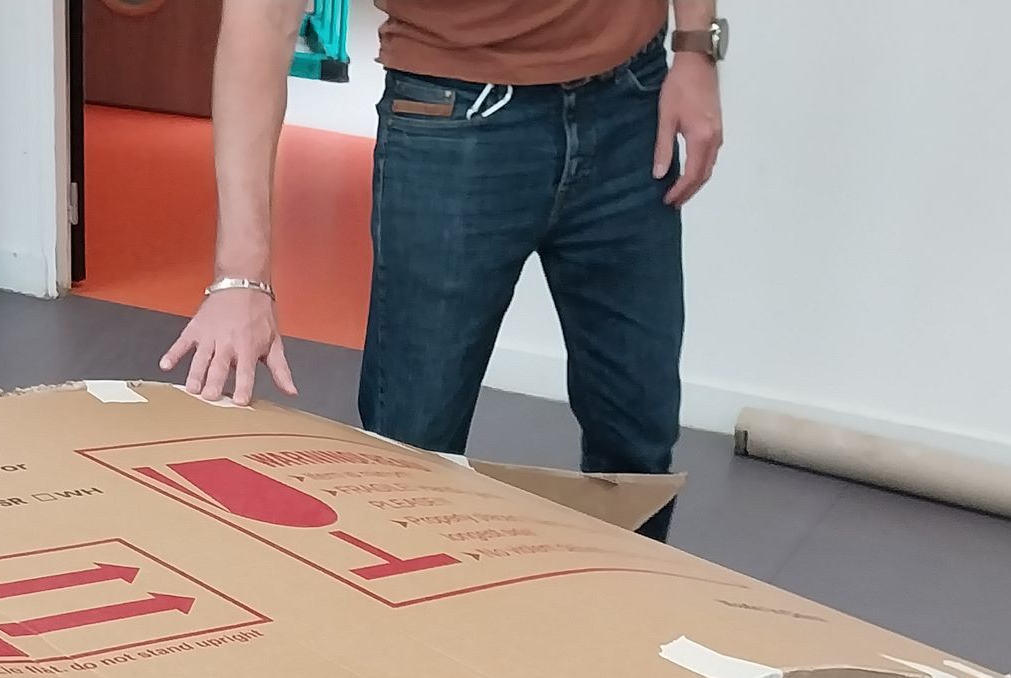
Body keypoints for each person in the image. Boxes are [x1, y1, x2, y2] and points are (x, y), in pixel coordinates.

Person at [162, 2, 728, 542]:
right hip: (450, 113)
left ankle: (626, 606)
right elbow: (263, 17)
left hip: (629, 101)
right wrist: (241, 277)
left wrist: (696, 46)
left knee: (639, 445)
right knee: (411, 453)